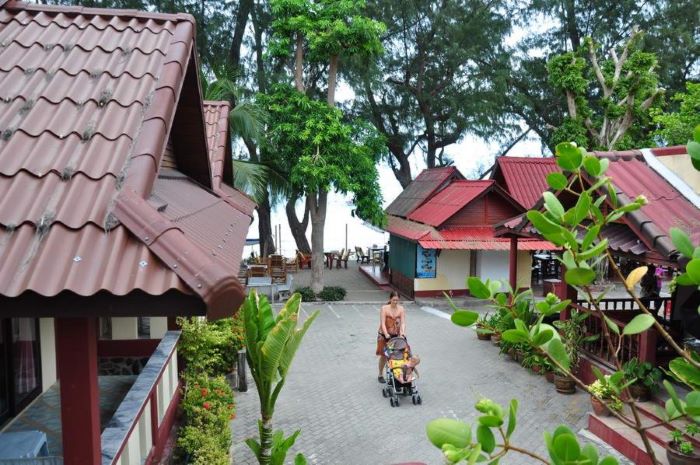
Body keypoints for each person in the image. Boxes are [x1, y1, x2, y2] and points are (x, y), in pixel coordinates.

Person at [376, 291, 406, 383]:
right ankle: (380, 375)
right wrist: (386, 334)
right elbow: (382, 323)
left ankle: (395, 374)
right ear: (390, 299)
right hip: (384, 335)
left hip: (395, 335)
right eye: (394, 300)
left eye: (397, 300)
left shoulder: (401, 309)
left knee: (396, 355)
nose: (395, 302)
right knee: (384, 356)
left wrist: (402, 333)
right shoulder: (384, 308)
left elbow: (403, 322)